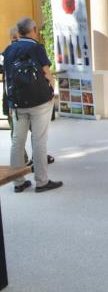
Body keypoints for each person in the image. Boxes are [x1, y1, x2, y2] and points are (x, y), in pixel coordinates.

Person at [4, 18, 63, 192]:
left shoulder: (8, 50)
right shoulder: (36, 48)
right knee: (38, 140)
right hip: (39, 102)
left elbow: (6, 75)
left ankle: (18, 182)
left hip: (17, 103)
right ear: (33, 30)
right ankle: (42, 181)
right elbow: (46, 72)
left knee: (17, 141)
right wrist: (52, 91)